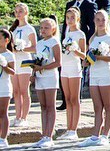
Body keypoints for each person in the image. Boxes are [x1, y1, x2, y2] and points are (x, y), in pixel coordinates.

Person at [81, 10, 110, 148]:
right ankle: (95, 135)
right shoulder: (92, 39)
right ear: (94, 21)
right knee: (97, 107)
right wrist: (86, 61)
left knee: (108, 106)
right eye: (98, 19)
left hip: (105, 75)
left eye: (103, 20)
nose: (101, 22)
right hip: (94, 75)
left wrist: (99, 57)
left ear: (107, 21)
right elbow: (89, 57)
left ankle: (105, 135)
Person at [31, 18, 61, 148]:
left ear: (53, 29)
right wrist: (33, 73)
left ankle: (49, 136)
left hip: (50, 76)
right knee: (43, 106)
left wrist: (43, 67)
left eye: (46, 28)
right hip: (39, 77)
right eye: (42, 28)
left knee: (50, 106)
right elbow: (36, 61)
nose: (43, 30)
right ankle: (44, 135)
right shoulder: (39, 43)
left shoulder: (54, 42)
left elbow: (58, 62)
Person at [57, 7, 85, 142]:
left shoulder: (80, 34)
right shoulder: (67, 33)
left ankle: (74, 129)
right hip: (65, 68)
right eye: (68, 18)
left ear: (77, 19)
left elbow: (84, 55)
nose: (70, 20)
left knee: (74, 99)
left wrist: (75, 50)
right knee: (67, 99)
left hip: (74, 68)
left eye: (73, 17)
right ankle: (68, 128)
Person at [10, 2, 36, 128]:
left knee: (24, 90)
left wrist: (22, 48)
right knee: (16, 91)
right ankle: (17, 116)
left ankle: (24, 117)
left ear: (26, 12)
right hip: (15, 61)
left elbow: (34, 47)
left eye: (20, 11)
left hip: (25, 61)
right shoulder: (13, 29)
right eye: (16, 11)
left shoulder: (29, 29)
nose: (18, 14)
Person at [0, 28, 16, 149]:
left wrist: (4, 65)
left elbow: (13, 72)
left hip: (4, 86)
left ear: (6, 40)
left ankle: (3, 138)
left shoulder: (9, 54)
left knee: (3, 112)